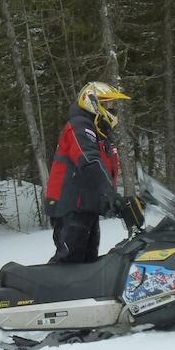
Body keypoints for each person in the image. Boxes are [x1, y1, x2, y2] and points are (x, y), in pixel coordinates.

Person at [45, 81, 129, 263]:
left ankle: (86, 292)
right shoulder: (80, 126)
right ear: (93, 102)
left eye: (112, 104)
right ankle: (52, 290)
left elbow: (104, 169)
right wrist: (108, 192)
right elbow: (89, 160)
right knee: (70, 260)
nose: (112, 109)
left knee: (88, 261)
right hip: (71, 205)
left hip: (85, 205)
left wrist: (115, 200)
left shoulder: (98, 130)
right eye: (108, 104)